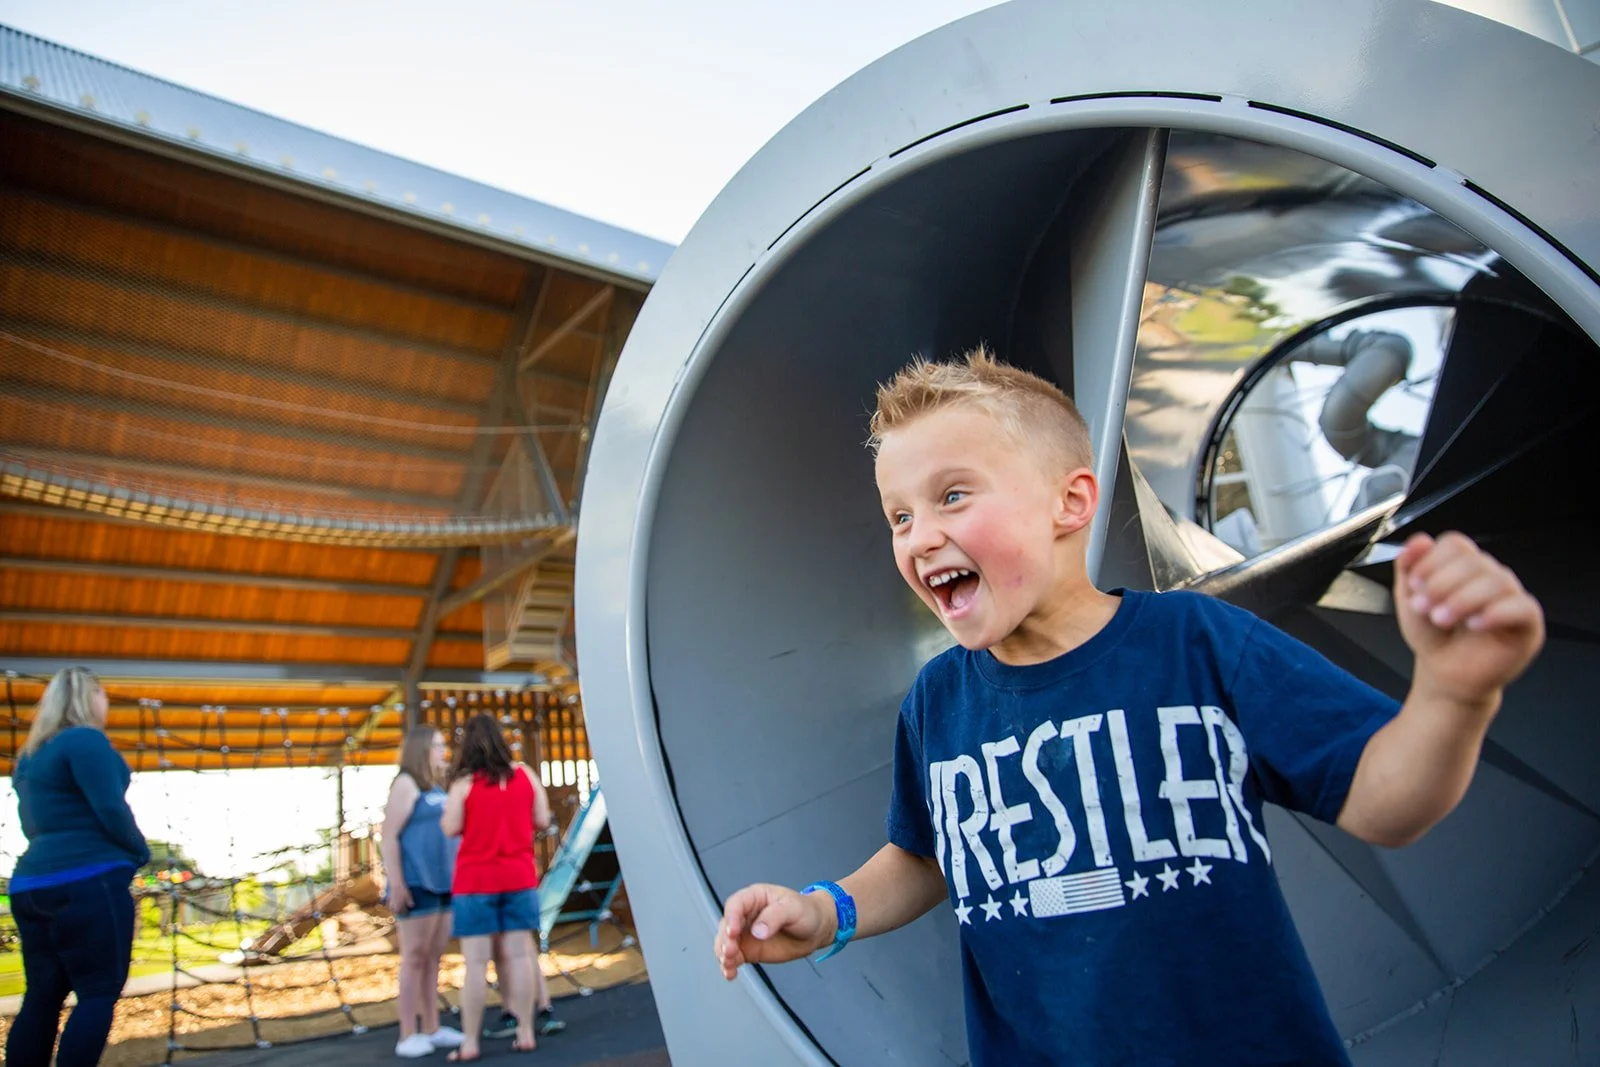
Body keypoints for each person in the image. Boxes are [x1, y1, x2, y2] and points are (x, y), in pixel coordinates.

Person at [712, 347, 1546, 1066]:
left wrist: (1454, 691)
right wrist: (827, 911)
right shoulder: (938, 700)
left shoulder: (1198, 644)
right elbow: (927, 857)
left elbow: (1385, 801)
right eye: (899, 514)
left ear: (1070, 503)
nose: (919, 534)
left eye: (953, 496)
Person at [5, 667, 151, 1067]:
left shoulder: (30, 756)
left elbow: (31, 824)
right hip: (87, 882)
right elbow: (110, 808)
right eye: (103, 694)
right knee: (98, 992)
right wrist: (139, 852)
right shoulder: (85, 740)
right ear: (90, 698)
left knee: (42, 996)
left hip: (31, 884)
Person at [441, 714, 553, 1061]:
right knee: (520, 955)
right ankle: (525, 1032)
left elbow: (449, 827)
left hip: (475, 881)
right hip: (519, 877)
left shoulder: (463, 785)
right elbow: (542, 819)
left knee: (475, 964)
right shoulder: (525, 775)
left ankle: (470, 1042)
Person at [380, 725, 466, 1058]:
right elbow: (389, 837)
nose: (443, 751)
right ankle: (406, 1034)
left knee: (433, 957)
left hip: (442, 882)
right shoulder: (405, 783)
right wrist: (397, 884)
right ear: (421, 749)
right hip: (416, 883)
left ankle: (432, 1026)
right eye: (437, 746)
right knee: (414, 957)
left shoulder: (435, 786)